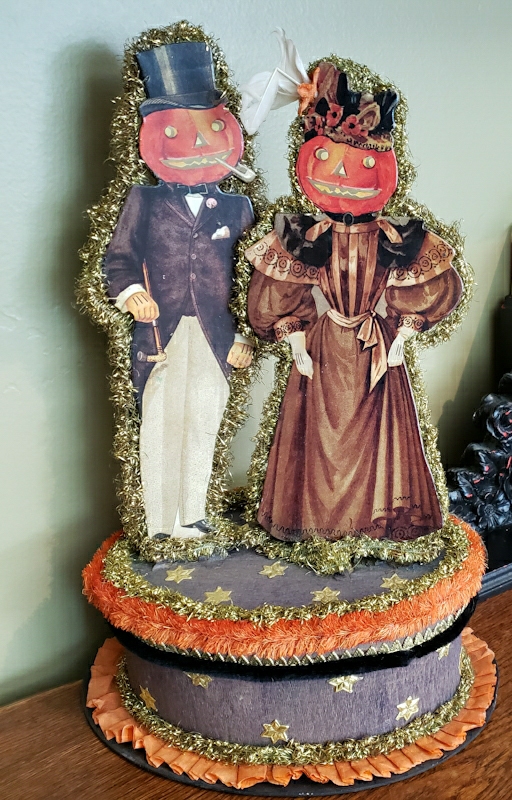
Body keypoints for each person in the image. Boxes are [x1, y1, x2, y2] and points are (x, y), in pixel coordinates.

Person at [245, 62, 462, 542]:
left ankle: (373, 522)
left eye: (361, 164)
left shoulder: (394, 237)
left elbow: (427, 292)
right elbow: (281, 296)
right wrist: (296, 344)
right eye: (327, 158)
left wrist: (401, 338)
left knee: (378, 437)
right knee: (318, 438)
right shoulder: (303, 236)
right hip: (322, 351)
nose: (342, 174)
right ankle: (315, 523)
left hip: (374, 349)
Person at [104, 42, 254, 538]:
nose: (195, 142)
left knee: (204, 420)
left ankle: (191, 515)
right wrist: (131, 292)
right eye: (175, 131)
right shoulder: (143, 199)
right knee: (159, 422)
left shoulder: (237, 208)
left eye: (208, 127)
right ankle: (158, 523)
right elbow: (119, 257)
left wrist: (244, 336)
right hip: (160, 332)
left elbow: (251, 282)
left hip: (215, 335)